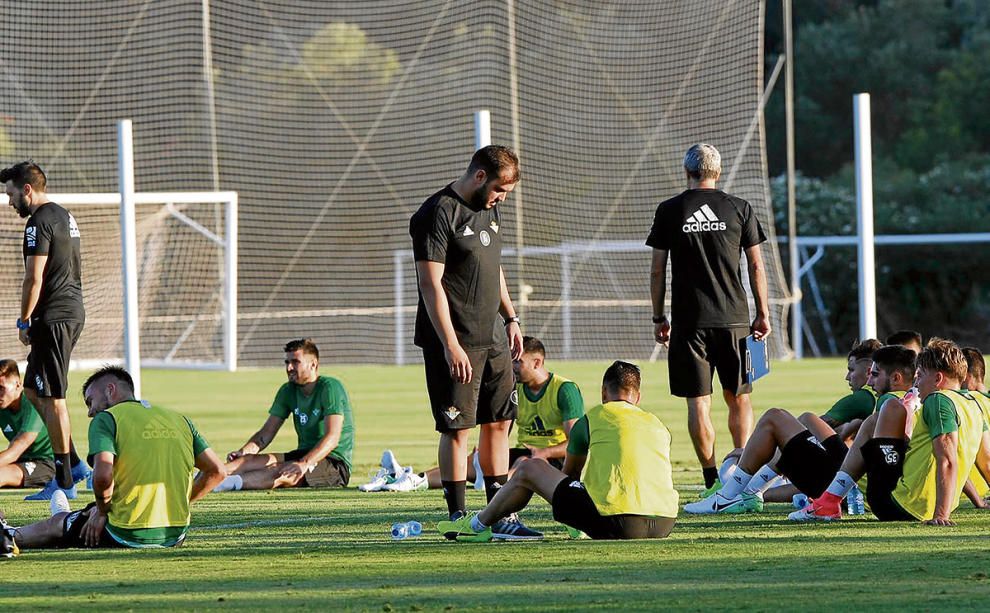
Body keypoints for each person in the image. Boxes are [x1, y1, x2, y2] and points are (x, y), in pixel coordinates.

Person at [409, 145, 532, 537]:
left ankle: (500, 516)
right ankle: (458, 516)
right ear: (480, 176)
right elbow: (430, 285)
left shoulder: (490, 209)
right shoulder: (436, 214)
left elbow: (493, 268)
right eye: (499, 190)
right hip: (455, 341)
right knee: (457, 429)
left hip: (493, 337)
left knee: (499, 423)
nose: (501, 199)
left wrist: (510, 317)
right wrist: (450, 343)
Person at [646, 143, 771, 497]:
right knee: (740, 398)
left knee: (698, 402)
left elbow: (658, 269)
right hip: (734, 319)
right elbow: (757, 265)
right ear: (718, 171)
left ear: (687, 172)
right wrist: (762, 313)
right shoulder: (739, 208)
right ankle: (742, 482)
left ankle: (711, 480)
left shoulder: (670, 210)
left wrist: (659, 316)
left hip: (689, 322)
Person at [438, 361, 678, 541]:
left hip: (618, 524)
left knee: (529, 468)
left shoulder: (593, 418)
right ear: (638, 397)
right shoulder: (659, 425)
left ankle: (477, 526)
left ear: (604, 392)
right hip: (664, 523)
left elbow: (570, 475)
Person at [0, 366, 226, 556]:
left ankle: (9, 536)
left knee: (59, 525)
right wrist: (181, 502)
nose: (90, 412)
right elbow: (217, 471)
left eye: (90, 401)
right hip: (175, 535)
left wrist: (102, 512)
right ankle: (66, 512)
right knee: (83, 513)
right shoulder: (180, 420)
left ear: (110, 390)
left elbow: (102, 476)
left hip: (126, 533)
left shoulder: (107, 419)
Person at [685, 344, 916, 514]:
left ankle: (730, 496)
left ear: (895, 378)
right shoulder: (906, 400)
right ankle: (748, 492)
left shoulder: (886, 403)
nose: (870, 381)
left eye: (874, 375)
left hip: (853, 489)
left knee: (775, 418)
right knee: (801, 421)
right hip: (858, 486)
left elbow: (881, 459)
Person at [791, 338, 989, 524]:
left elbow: (946, 458)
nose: (917, 383)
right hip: (925, 506)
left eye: (920, 376)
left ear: (938, 378)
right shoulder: (973, 404)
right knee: (875, 420)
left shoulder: (938, 401)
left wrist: (941, 514)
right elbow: (971, 459)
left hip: (899, 504)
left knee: (888, 410)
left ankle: (828, 501)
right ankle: (828, 500)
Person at [366, 336, 585, 493]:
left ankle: (496, 486)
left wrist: (544, 453)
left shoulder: (564, 390)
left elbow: (576, 443)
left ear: (537, 362)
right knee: (474, 461)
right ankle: (413, 479)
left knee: (523, 464)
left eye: (518, 361)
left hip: (553, 461)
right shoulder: (514, 387)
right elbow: (502, 426)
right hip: (522, 453)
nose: (512, 367)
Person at [2, 161, 89, 500]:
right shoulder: (65, 216)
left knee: (54, 398)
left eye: (10, 194)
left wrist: (24, 320)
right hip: (63, 314)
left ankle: (64, 481)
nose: (9, 202)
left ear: (27, 190)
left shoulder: (37, 222)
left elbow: (33, 278)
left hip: (54, 316)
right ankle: (77, 464)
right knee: (36, 393)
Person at [214, 338, 354, 492]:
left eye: (295, 362)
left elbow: (332, 438)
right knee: (248, 462)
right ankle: (205, 476)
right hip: (303, 455)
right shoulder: (288, 391)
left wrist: (305, 463)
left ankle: (220, 484)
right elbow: (264, 435)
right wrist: (243, 452)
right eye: (287, 362)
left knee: (279, 470)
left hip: (333, 463)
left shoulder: (330, 388)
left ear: (313, 364)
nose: (289, 368)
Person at [0, 359, 55, 489]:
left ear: (18, 385)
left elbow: (17, 448)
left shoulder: (32, 404)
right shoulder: (3, 406)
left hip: (46, 462)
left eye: (1, 388)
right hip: (21, 461)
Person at [820, 339, 883, 427]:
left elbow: (819, 425)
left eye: (851, 370)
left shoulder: (862, 398)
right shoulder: (891, 394)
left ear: (869, 372)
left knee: (807, 418)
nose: (847, 377)